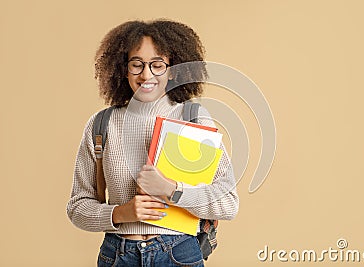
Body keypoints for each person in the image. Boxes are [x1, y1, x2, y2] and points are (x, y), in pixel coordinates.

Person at [66, 19, 239, 267]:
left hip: (178, 254)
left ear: (172, 70)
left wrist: (172, 190)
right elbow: (77, 208)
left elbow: (228, 203)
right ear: (122, 69)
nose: (146, 75)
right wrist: (120, 213)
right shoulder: (101, 124)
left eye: (157, 65)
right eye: (136, 65)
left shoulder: (192, 118)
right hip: (117, 255)